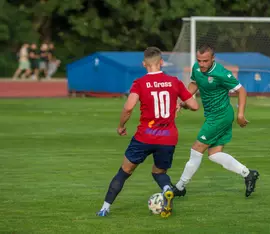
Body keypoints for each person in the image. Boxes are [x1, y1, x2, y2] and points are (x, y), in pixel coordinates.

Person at [96, 47, 199, 218]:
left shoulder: (140, 83)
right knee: (159, 172)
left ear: (144, 64)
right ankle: (167, 189)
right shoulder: (174, 81)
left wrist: (121, 125)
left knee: (124, 172)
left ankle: (105, 208)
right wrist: (181, 104)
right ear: (162, 62)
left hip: (144, 136)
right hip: (168, 138)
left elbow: (128, 107)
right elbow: (195, 105)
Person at [173, 44, 260, 198]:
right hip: (213, 116)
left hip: (221, 116)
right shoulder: (197, 68)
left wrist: (240, 114)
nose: (202, 64)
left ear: (213, 58)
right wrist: (183, 100)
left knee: (197, 149)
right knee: (214, 154)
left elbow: (241, 90)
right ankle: (248, 174)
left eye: (205, 61)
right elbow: (194, 83)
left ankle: (180, 186)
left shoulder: (221, 73)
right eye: (199, 60)